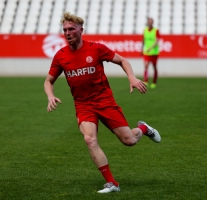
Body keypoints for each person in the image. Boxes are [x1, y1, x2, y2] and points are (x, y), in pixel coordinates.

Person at [44, 12, 161, 194]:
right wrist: (50, 96)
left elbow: (122, 60)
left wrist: (131, 77)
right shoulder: (60, 56)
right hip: (83, 105)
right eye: (65, 30)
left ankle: (143, 129)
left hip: (104, 101)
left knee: (129, 140)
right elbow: (48, 81)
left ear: (81, 30)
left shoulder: (96, 48)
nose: (67, 33)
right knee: (89, 139)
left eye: (71, 29)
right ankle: (112, 183)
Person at [141, 17, 160, 89]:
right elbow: (143, 39)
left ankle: (154, 82)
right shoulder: (145, 30)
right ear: (148, 22)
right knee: (146, 66)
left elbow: (157, 41)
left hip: (154, 52)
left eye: (151, 21)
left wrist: (151, 48)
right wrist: (141, 49)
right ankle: (146, 80)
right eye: (149, 21)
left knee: (154, 67)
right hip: (146, 52)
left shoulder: (156, 30)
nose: (150, 23)